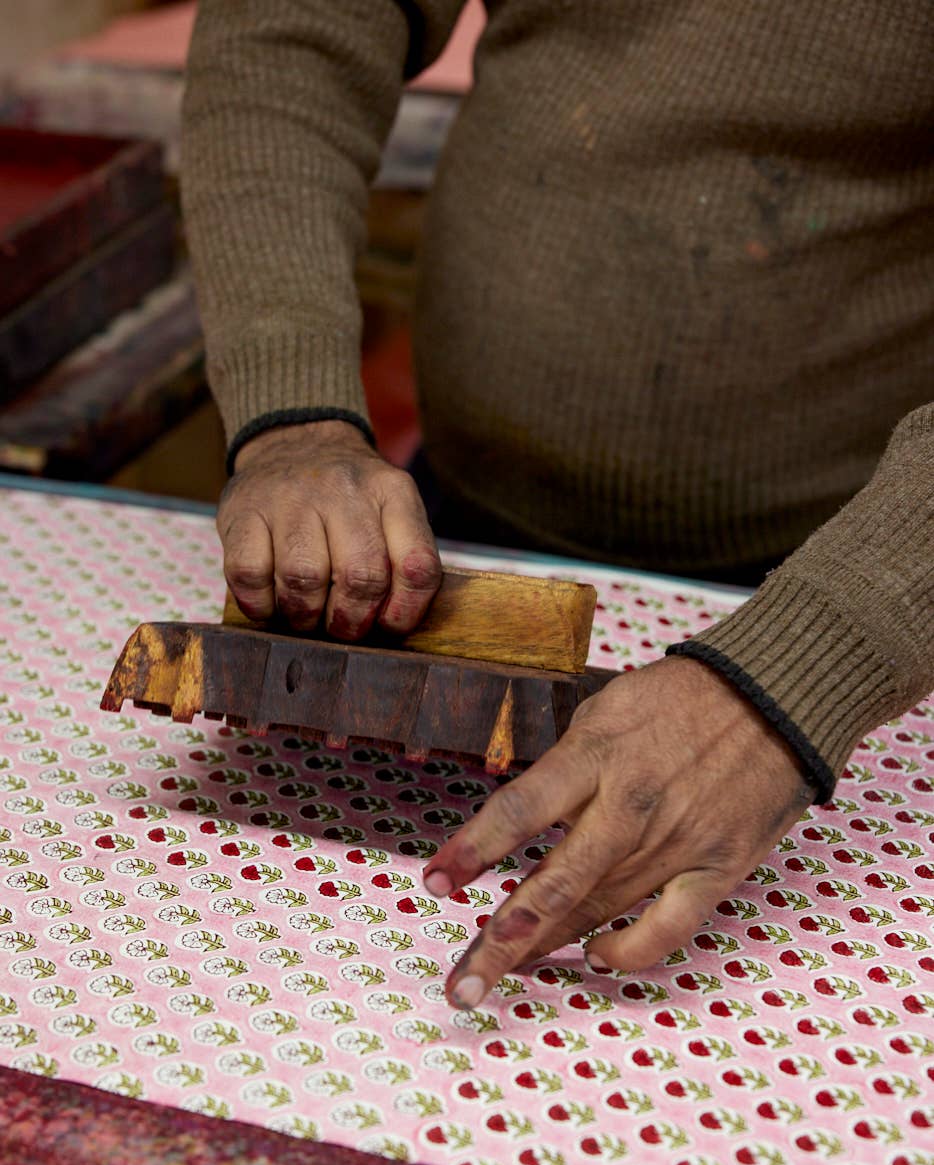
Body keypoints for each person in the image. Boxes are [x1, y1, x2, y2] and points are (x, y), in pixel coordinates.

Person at [181, 2, 933, 1012]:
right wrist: (292, 413)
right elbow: (295, 26)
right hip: (449, 529)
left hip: (863, 605)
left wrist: (807, 664)